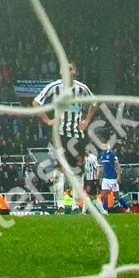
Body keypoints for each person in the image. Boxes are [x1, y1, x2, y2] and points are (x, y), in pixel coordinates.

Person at [33, 64, 94, 210]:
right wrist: (47, 120)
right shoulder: (54, 87)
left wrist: (87, 120)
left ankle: (74, 205)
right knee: (59, 170)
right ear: (60, 72)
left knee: (77, 170)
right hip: (60, 134)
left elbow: (95, 102)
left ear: (75, 72)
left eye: (71, 68)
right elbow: (36, 102)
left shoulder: (82, 88)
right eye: (65, 68)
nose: (68, 71)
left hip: (77, 135)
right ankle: (60, 204)